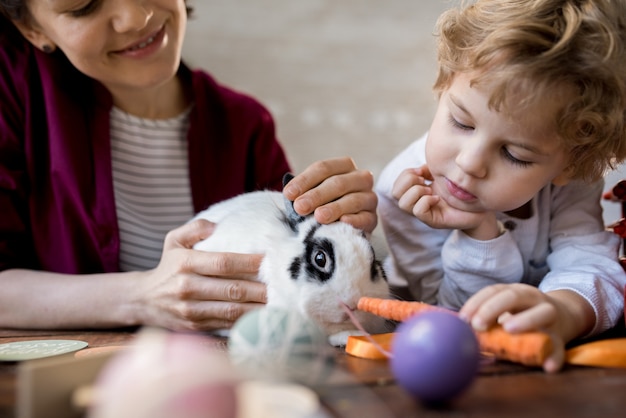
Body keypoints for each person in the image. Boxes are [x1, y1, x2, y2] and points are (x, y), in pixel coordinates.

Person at [0, 1, 377, 331]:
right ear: (32, 28)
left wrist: (346, 237)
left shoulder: (245, 126)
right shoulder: (13, 98)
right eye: (83, 5)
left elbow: (291, 284)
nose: (136, 15)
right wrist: (141, 297)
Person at [376, 0, 626, 372]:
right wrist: (479, 232)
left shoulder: (570, 185)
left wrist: (563, 311)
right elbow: (453, 320)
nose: (469, 162)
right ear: (444, 85)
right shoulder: (405, 195)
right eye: (461, 122)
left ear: (569, 165)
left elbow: (593, 268)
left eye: (515, 154)